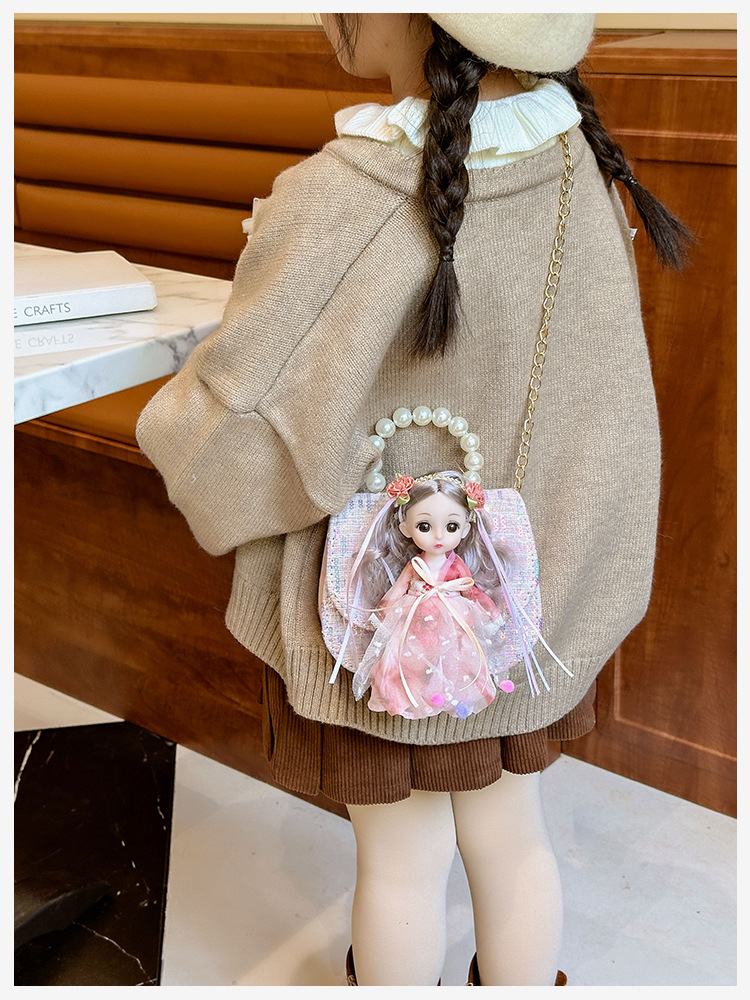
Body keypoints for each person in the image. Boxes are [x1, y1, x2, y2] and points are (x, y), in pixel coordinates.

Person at [136, 13, 692, 986]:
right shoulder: (581, 164)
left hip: (374, 637)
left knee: (399, 859)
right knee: (512, 836)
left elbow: (240, 426)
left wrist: (184, 437)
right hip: (524, 619)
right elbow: (606, 418)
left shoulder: (348, 189)